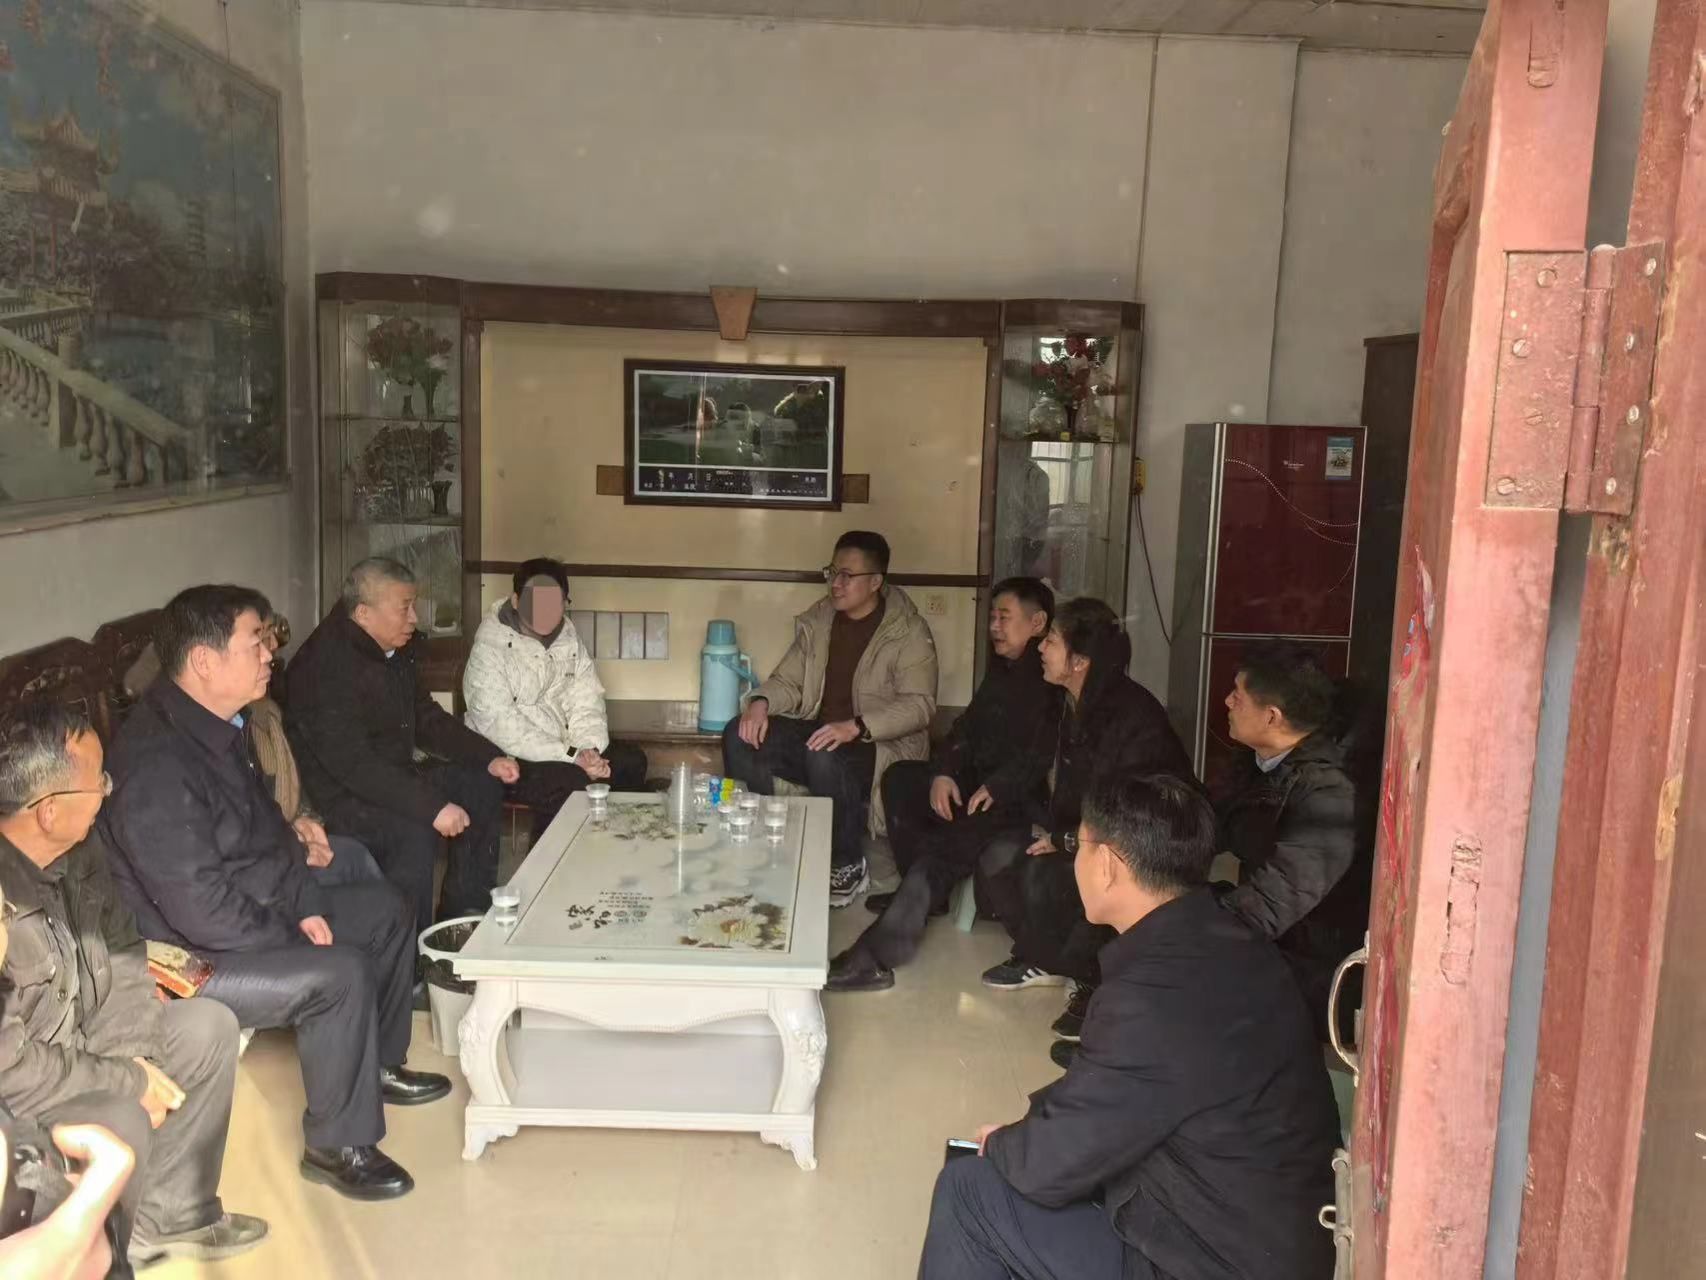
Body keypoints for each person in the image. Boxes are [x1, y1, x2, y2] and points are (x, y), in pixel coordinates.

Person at [101, 585, 450, 1203]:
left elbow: (267, 831)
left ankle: (379, 1064)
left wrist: (306, 902)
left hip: (246, 905)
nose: (269, 654)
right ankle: (338, 1146)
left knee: (385, 910)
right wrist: (293, 934)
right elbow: (198, 911)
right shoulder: (156, 765)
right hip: (185, 958)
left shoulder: (219, 726)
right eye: (255, 642)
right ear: (204, 661)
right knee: (339, 970)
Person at [919, 773, 1338, 1280]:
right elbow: (1117, 1089)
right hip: (1263, 1230)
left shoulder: (1151, 995)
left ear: (1107, 865)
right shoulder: (1225, 939)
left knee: (969, 1192)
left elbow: (1047, 1166)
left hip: (1209, 1260)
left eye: (1078, 845)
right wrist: (1024, 1132)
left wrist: (1006, 1146)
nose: (1073, 860)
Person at [0, 702, 266, 1266]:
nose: (108, 789)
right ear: (48, 811)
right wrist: (127, 1082)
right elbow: (12, 1072)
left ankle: (170, 1217)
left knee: (208, 1027)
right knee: (123, 1113)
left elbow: (122, 953)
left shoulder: (81, 849)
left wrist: (135, 1058)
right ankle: (108, 1257)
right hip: (22, 1096)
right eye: (98, 781)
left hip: (87, 1045)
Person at [980, 598, 1194, 1067]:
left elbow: (1126, 807)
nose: (1041, 648)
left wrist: (1067, 840)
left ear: (1079, 661)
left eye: (1052, 641)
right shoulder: (1065, 699)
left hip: (1143, 843)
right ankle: (1051, 960)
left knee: (1051, 876)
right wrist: (997, 788)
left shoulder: (1129, 714)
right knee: (999, 859)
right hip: (1083, 829)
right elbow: (1037, 758)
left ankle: (1092, 979)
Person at [825, 578, 1057, 991]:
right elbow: (966, 728)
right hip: (978, 785)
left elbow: (1040, 756)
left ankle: (877, 958)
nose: (994, 626)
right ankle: (923, 896)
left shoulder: (1049, 682)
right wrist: (944, 772)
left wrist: (998, 788)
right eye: (992, 617)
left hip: (1015, 801)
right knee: (901, 779)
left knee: (945, 850)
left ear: (1037, 623)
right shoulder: (1002, 670)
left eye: (1004, 617)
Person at [283, 557, 521, 935]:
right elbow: (355, 766)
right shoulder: (325, 666)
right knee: (414, 827)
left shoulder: (391, 646)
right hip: (341, 797)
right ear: (363, 613)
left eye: (414, 606)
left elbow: (424, 716)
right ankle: (413, 947)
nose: (414, 618)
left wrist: (487, 755)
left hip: (392, 774)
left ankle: (463, 917)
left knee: (479, 782)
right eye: (404, 608)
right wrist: (432, 807)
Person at [722, 530, 938, 906]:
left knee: (822, 752)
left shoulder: (908, 631)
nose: (836, 583)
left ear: (876, 582)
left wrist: (857, 726)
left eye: (847, 575)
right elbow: (789, 680)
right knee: (738, 733)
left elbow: (920, 705)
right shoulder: (821, 619)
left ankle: (847, 862)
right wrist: (759, 702)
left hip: (878, 744)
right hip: (821, 734)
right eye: (832, 572)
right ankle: (759, 839)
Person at [124, 614, 383, 891]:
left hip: (273, 845)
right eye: (257, 640)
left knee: (357, 859)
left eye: (267, 636)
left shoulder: (258, 714)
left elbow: (280, 790)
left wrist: (302, 821)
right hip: (247, 874)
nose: (270, 650)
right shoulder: (183, 742)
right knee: (360, 874)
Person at [1217, 643, 1368, 1038]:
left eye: (1238, 695)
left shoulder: (1329, 792)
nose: (1227, 701)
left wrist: (1195, 929)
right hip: (1272, 941)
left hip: (1308, 964)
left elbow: (1276, 899)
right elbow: (1212, 822)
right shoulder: (1260, 762)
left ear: (1272, 716)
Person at [463, 557, 648, 838]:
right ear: (516, 601)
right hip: (507, 755)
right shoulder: (490, 647)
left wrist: (589, 750)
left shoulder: (568, 639)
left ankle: (609, 845)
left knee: (630, 762)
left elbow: (586, 699)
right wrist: (571, 757)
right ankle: (546, 862)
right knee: (569, 782)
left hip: (565, 747)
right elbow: (500, 724)